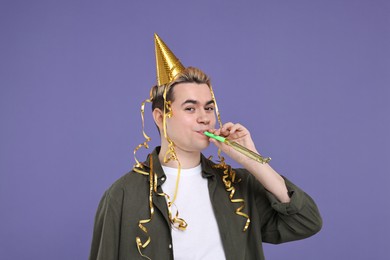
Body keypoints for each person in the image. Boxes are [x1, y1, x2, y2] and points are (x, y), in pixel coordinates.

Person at [89, 34, 322, 260]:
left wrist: (253, 161)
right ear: (160, 117)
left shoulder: (238, 187)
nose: (204, 118)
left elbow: (306, 222)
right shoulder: (122, 195)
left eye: (208, 108)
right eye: (190, 108)